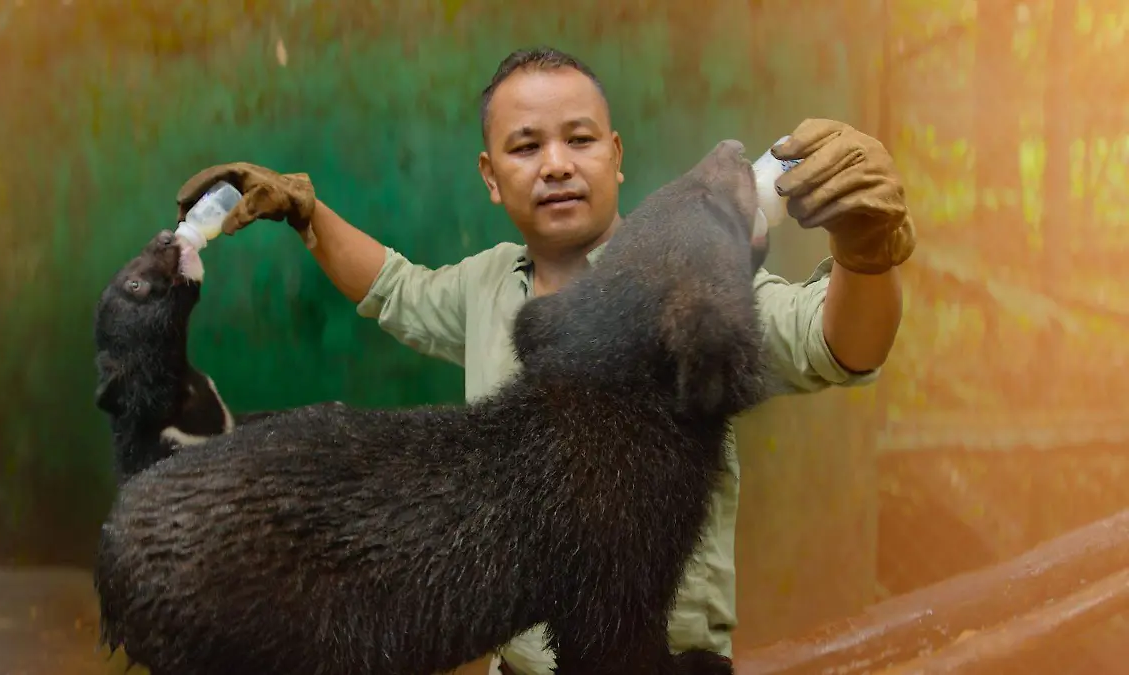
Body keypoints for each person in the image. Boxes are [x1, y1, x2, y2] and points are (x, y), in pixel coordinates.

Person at [175, 47, 915, 675]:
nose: (556, 164)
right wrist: (305, 210)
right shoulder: (490, 281)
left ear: (617, 157)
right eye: (526, 147)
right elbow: (396, 288)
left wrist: (866, 252)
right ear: (491, 177)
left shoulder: (684, 286)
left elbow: (837, 343)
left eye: (580, 140)